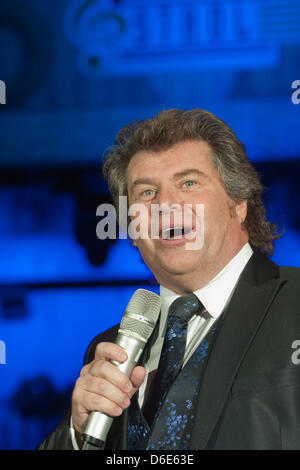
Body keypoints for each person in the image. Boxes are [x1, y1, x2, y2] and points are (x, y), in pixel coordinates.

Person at [38, 109, 300, 450]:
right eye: (146, 193)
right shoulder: (108, 352)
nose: (166, 205)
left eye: (188, 183)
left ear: (238, 204)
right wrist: (76, 432)